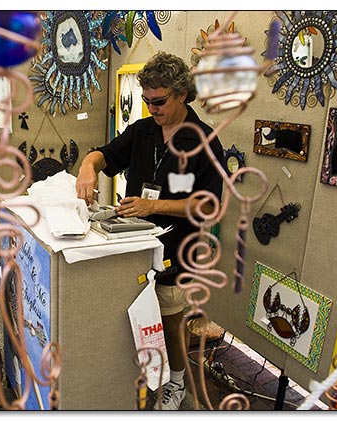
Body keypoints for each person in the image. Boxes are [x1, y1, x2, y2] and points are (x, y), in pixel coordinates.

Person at [75, 51, 224, 410]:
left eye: (158, 101)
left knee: (171, 322)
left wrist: (152, 206)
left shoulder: (205, 142)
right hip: (132, 250)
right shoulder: (142, 131)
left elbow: (209, 206)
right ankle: (134, 375)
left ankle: (176, 384)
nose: (151, 108)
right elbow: (104, 155)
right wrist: (87, 168)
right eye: (146, 100)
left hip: (174, 249)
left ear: (182, 94)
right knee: (130, 313)